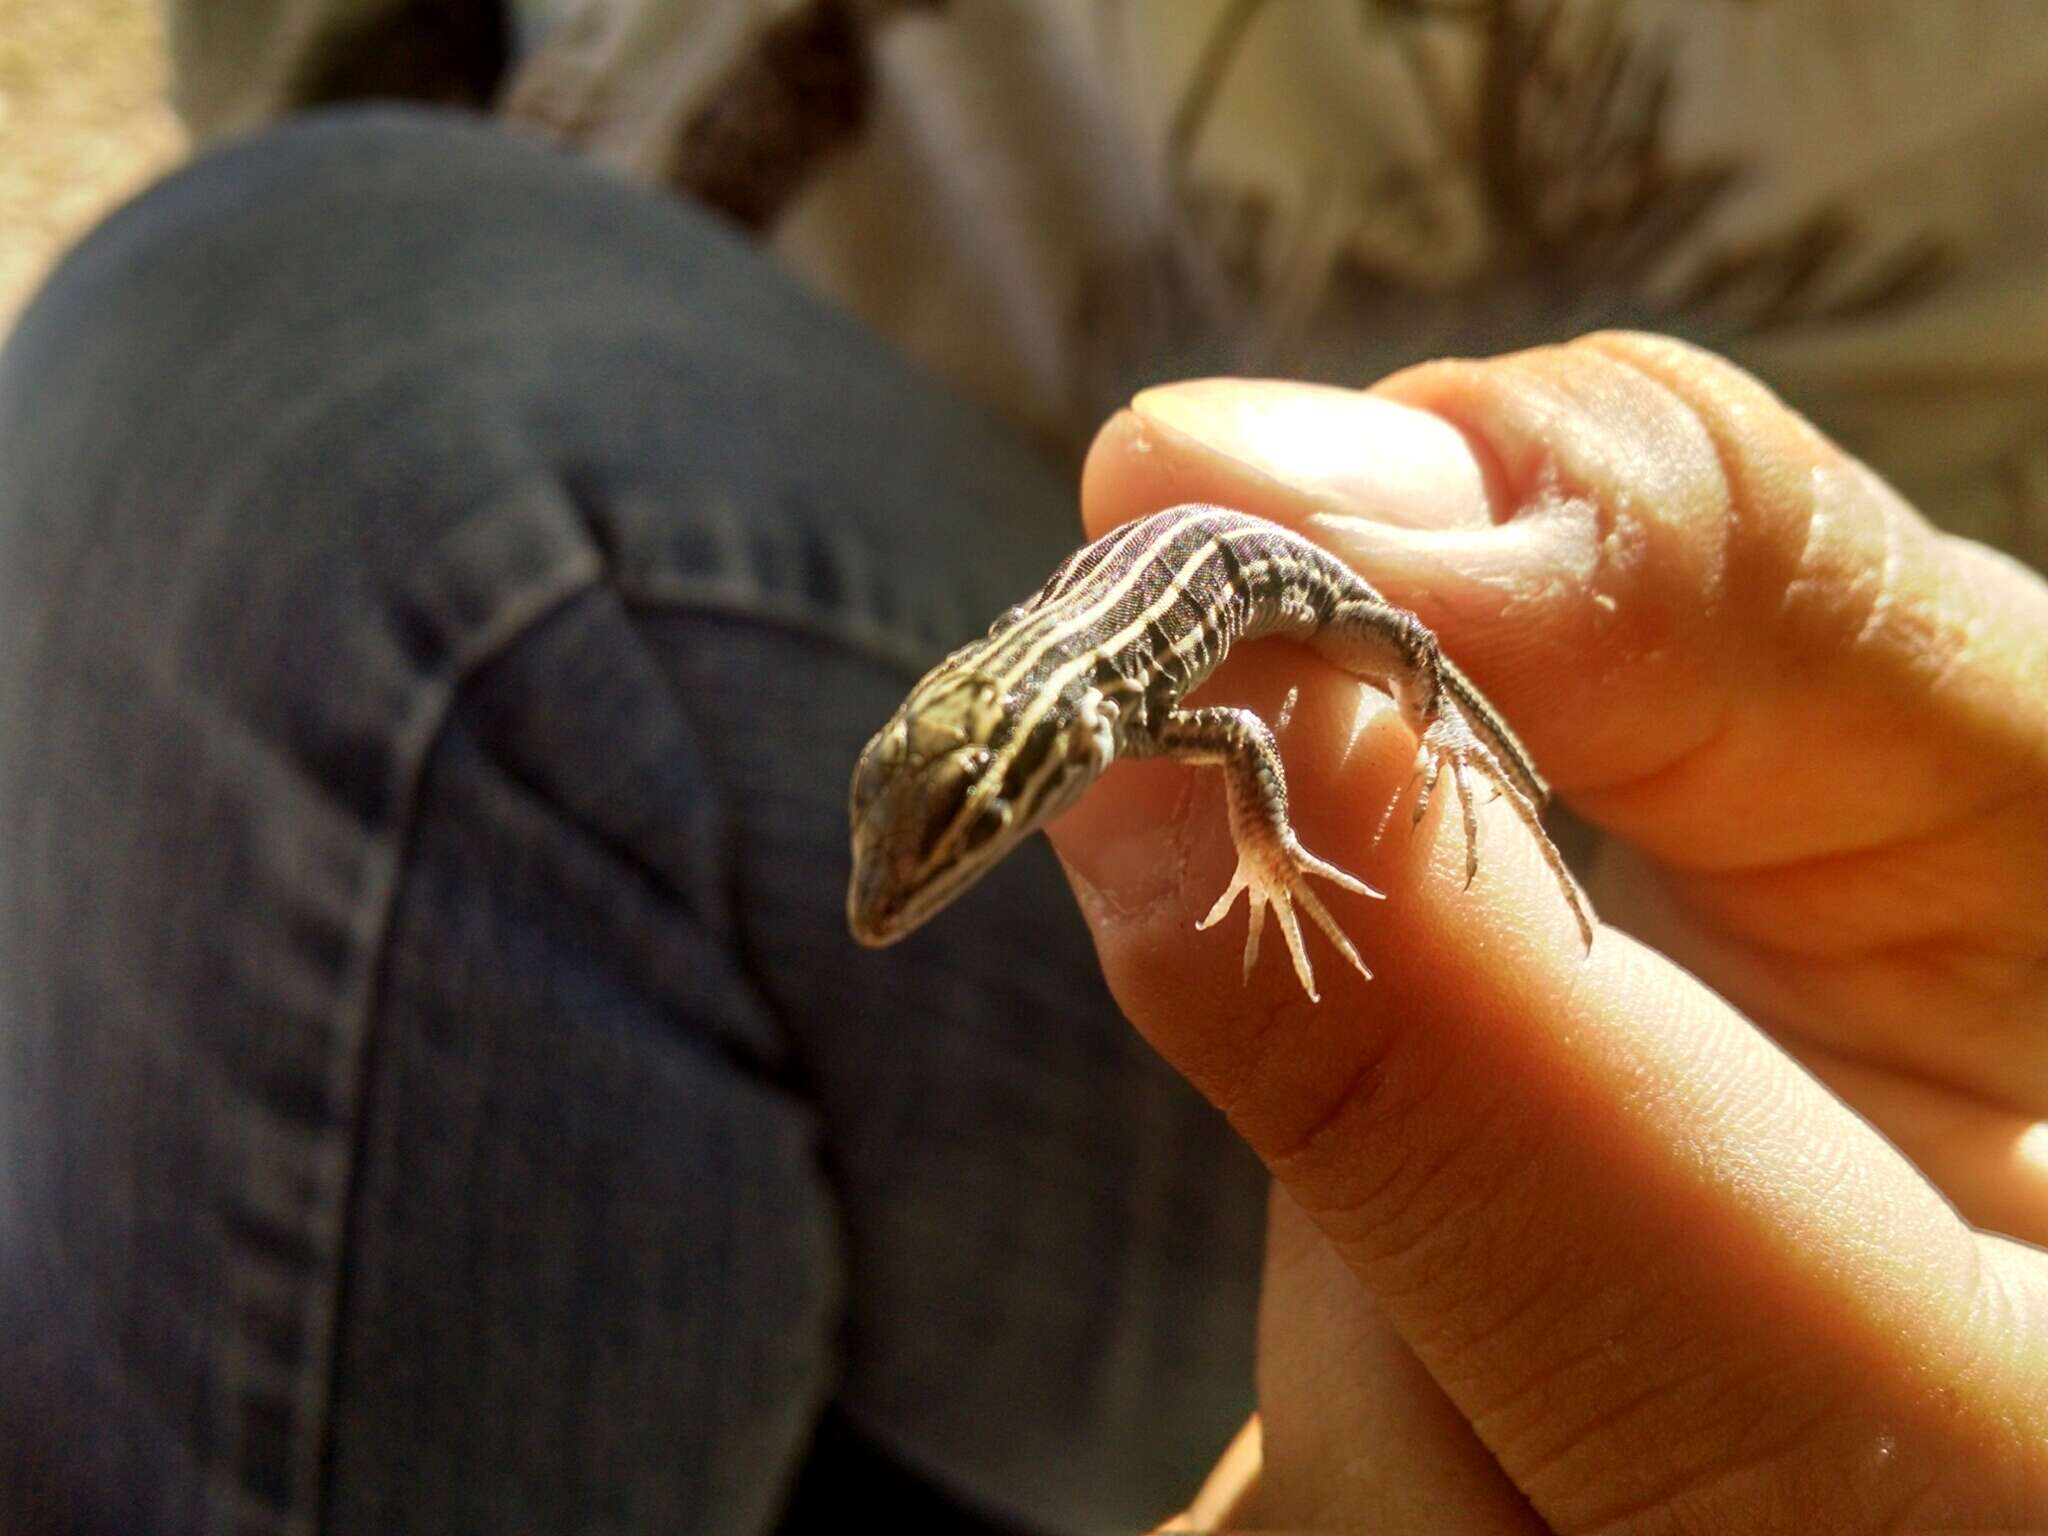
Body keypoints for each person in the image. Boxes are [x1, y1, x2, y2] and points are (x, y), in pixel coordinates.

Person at [3, 5, 2045, 1533]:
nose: (920, 880)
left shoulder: (1124, 710)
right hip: (764, 355)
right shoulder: (1051, 709)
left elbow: (1257, 713)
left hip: (1800, 933)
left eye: (949, 846)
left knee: (347, 467)